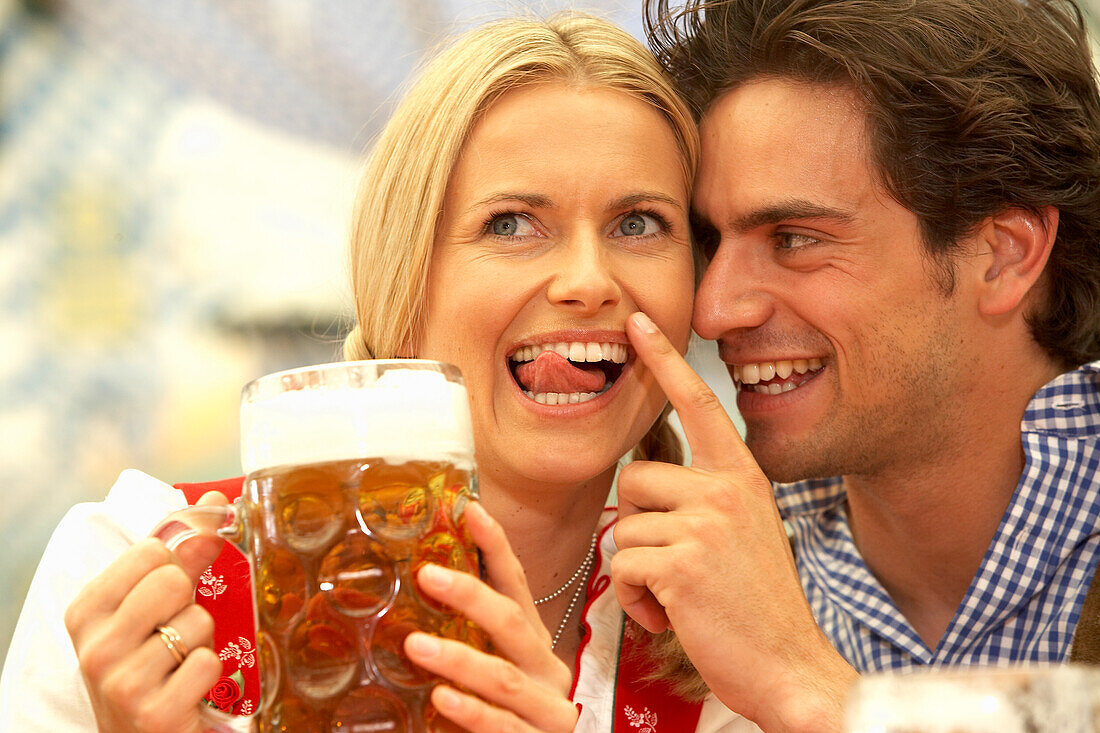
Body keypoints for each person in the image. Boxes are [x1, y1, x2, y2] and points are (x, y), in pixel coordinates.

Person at [0, 12, 760, 733]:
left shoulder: (723, 632)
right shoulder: (132, 579)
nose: (587, 280)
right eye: (510, 224)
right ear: (402, 283)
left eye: (638, 223)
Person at [606, 0, 1100, 731]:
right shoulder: (695, 586)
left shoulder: (754, 624)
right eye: (712, 239)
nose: (711, 313)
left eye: (795, 237)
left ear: (1004, 254)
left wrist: (807, 686)